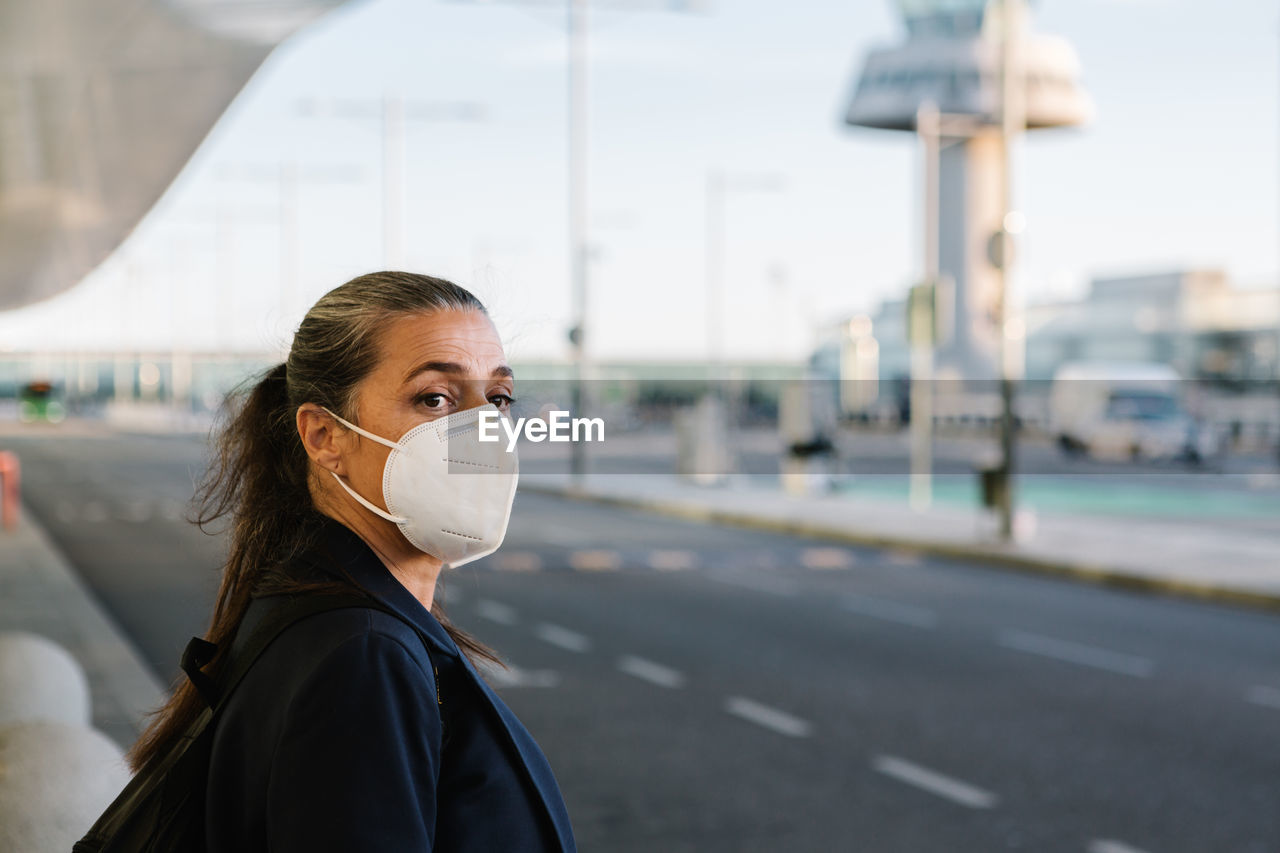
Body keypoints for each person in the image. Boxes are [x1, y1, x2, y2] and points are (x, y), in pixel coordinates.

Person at [125, 271, 577, 852]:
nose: (482, 433)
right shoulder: (362, 653)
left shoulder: (319, 610)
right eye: (435, 398)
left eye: (497, 399)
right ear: (323, 436)